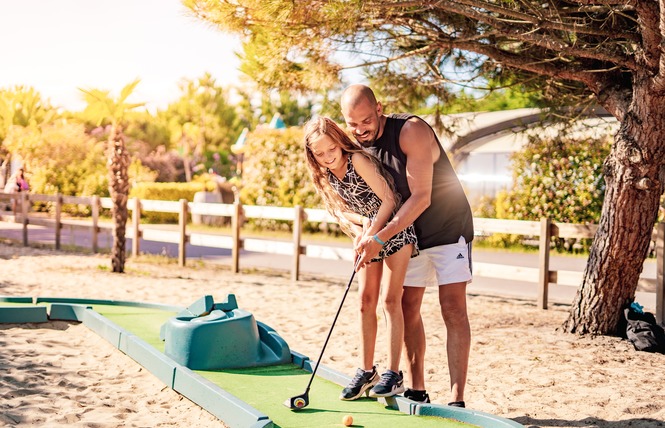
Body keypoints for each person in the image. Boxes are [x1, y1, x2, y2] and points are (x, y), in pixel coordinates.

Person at [340, 84, 474, 408]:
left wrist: (379, 238)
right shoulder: (359, 149)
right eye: (352, 124)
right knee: (407, 307)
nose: (360, 130)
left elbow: (421, 197)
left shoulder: (410, 131)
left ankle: (457, 400)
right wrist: (359, 230)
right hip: (410, 236)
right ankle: (417, 389)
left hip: (447, 228)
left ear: (380, 109)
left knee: (452, 307)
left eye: (366, 121)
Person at [303, 116, 418, 399]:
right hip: (370, 234)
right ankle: (367, 371)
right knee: (365, 302)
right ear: (312, 154)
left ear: (339, 142)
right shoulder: (327, 174)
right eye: (320, 153)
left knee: (390, 300)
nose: (328, 157)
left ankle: (393, 374)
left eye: (331, 149)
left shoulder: (358, 161)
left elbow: (389, 200)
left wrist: (373, 234)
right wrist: (359, 230)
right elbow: (342, 211)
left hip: (395, 230)